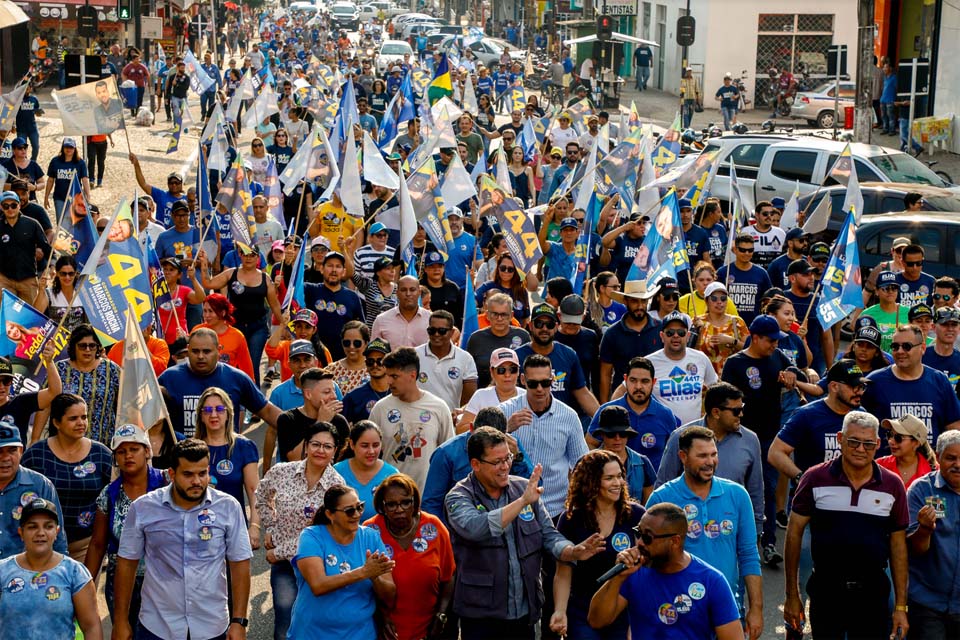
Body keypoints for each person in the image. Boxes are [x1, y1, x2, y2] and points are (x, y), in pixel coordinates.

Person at [445, 427, 606, 640]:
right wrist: (522, 502)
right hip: (480, 615)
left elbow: (549, 535)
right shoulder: (459, 496)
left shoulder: (522, 488)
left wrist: (572, 551)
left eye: (508, 458)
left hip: (524, 611)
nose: (505, 467)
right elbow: (476, 528)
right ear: (476, 464)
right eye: (497, 462)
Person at [783, 411, 909, 640]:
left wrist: (901, 607)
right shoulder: (814, 478)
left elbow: (898, 546)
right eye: (853, 442)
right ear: (840, 439)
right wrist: (792, 595)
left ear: (877, 444)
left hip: (873, 592)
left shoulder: (892, 485)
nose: (860, 449)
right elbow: (793, 534)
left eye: (868, 444)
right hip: (826, 590)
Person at [647, 426, 763, 637]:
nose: (710, 462)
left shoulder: (737, 495)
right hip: (677, 612)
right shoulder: (662, 498)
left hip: (727, 610)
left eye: (713, 454)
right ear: (683, 457)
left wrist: (756, 609)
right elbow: (648, 558)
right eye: (702, 456)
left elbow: (748, 554)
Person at [587, 503, 744, 639]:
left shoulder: (712, 581)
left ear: (674, 541)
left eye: (647, 537)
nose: (640, 542)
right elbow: (596, 621)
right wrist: (617, 578)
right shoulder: (633, 572)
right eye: (638, 533)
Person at [256, 421, 345, 640]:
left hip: (318, 564)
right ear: (306, 446)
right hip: (285, 566)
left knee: (315, 622)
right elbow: (262, 496)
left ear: (335, 451)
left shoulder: (337, 487)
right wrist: (271, 526)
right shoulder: (282, 471)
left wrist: (277, 552)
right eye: (315, 444)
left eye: (327, 446)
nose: (320, 450)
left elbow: (324, 533)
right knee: (285, 617)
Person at [721, 315, 796, 566]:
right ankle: (736, 540)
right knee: (737, 487)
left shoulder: (777, 357)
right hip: (739, 436)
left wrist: (792, 374)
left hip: (769, 437)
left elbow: (796, 370)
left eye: (777, 340)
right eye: (770, 340)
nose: (775, 345)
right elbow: (724, 398)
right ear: (755, 338)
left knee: (767, 489)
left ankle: (769, 542)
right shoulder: (735, 363)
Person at [550, 449, 645, 640]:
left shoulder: (636, 515)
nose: (617, 483)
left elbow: (646, 570)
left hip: (622, 608)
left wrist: (638, 618)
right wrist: (560, 611)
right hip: (582, 610)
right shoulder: (571, 519)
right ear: (591, 482)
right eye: (609, 478)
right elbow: (563, 572)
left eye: (619, 476)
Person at [287, 484, 397, 639]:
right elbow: (318, 585)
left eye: (360, 507)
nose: (357, 514)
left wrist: (375, 578)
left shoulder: (370, 537)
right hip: (313, 633)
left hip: (360, 634)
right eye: (349, 510)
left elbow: (389, 596)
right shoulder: (312, 536)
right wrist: (363, 572)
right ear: (330, 514)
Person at [84, 424, 167, 628]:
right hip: (121, 583)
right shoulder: (109, 494)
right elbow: (97, 545)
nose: (128, 455)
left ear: (147, 451)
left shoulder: (168, 484)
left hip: (164, 579)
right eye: (121, 452)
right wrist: (84, 587)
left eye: (134, 449)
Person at [365, 473, 456, 640]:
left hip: (428, 629)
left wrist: (441, 615)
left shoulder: (434, 526)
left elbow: (449, 576)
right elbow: (363, 584)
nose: (399, 509)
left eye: (406, 502)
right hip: (384, 631)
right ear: (382, 506)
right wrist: (381, 617)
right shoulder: (370, 531)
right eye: (391, 504)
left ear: (414, 503)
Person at [22, 393, 111, 562]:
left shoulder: (101, 454)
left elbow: (114, 495)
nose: (81, 423)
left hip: (88, 547)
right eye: (73, 418)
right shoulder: (35, 455)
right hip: (41, 547)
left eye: (84, 417)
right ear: (56, 422)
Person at [500, 353, 589, 518]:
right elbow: (485, 450)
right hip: (513, 506)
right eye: (533, 384)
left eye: (545, 383)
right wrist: (506, 428)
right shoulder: (505, 411)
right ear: (523, 380)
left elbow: (581, 464)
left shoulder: (568, 416)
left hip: (555, 508)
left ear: (552, 380)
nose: (540, 389)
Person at [0, 497, 103, 640]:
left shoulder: (75, 572)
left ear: (57, 532)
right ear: (21, 533)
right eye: (32, 527)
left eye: (48, 526)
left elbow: (91, 627)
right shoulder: (3, 570)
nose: (40, 533)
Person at [158, 328, 281, 438]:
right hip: (184, 455)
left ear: (219, 350)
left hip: (227, 455)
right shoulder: (169, 378)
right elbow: (150, 416)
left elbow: (267, 411)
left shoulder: (236, 378)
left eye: (206, 351)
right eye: (195, 351)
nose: (200, 356)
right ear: (188, 349)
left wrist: (291, 426)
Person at [769, 359, 869, 490]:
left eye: (862, 387)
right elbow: (775, 453)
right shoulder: (807, 415)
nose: (859, 392)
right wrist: (802, 478)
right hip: (813, 498)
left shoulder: (861, 415)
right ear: (834, 387)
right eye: (854, 386)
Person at [862, 324, 960, 449]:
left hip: (929, 460)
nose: (900, 351)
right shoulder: (874, 382)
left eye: (907, 346)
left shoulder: (939, 381)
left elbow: (954, 428)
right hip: (887, 460)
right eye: (895, 346)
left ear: (922, 348)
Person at [198, 241, 283, 386]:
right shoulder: (231, 273)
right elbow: (209, 283)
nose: (248, 258)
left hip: (258, 327)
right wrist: (204, 265)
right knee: (234, 365)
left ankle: (254, 397)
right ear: (240, 255)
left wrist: (283, 324)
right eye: (245, 254)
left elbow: (274, 304)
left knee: (252, 364)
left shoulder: (265, 278)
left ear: (258, 258)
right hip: (235, 326)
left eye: (252, 255)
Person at [369, 347, 455, 489]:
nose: (389, 381)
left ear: (412, 375)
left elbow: (449, 454)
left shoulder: (438, 407)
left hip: (428, 493)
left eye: (394, 376)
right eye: (387, 375)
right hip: (391, 494)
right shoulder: (380, 409)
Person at [903, 430, 960, 636]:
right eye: (951, 458)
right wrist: (924, 529)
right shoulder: (923, 490)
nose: (958, 464)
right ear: (937, 457)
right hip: (927, 602)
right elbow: (914, 549)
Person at [588, 356, 680, 470]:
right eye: (633, 380)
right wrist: (600, 469)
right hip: (615, 479)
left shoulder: (665, 415)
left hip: (655, 481)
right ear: (625, 380)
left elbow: (674, 452)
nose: (638, 386)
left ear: (653, 382)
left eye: (645, 381)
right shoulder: (607, 411)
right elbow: (590, 443)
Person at [194, 388, 260, 537]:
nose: (213, 415)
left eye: (219, 409)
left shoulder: (244, 447)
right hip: (198, 529)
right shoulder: (191, 448)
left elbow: (253, 491)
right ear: (201, 416)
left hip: (233, 528)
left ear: (228, 413)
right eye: (207, 410)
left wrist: (254, 526)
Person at [0, 419, 68, 559]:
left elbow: (58, 540)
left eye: (12, 450)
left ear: (21, 451)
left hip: (26, 569)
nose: (5, 458)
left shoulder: (41, 485)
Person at [44, 325, 121, 448]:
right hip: (63, 444)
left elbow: (123, 406)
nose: (87, 350)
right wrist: (35, 438)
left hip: (102, 445)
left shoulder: (111, 369)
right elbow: (45, 405)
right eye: (82, 346)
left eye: (92, 346)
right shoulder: (60, 369)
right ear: (74, 346)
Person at [646, 311, 717, 425]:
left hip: (694, 431)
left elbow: (716, 387)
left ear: (688, 336)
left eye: (681, 332)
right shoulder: (649, 362)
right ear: (662, 336)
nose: (676, 336)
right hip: (662, 431)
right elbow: (625, 388)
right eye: (670, 332)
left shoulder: (701, 358)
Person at [598, 281, 663, 403]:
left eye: (643, 301)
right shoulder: (612, 334)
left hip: (657, 398)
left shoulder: (661, 329)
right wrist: (605, 406)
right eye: (634, 301)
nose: (640, 306)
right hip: (623, 399)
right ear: (626, 301)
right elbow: (605, 374)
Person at [334, 421, 400, 522]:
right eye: (365, 446)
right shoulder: (337, 472)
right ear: (352, 444)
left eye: (376, 445)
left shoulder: (392, 474)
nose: (371, 451)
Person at [414, 310, 478, 410]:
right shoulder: (414, 355)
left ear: (452, 332)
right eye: (432, 330)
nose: (436, 334)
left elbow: (469, 399)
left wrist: (458, 415)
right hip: (419, 416)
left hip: (450, 417)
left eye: (442, 331)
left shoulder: (465, 358)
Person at [466, 292, 530, 388]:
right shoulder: (476, 339)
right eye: (495, 314)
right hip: (484, 393)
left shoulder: (523, 336)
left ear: (511, 315)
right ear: (487, 315)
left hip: (518, 393)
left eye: (504, 314)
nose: (499, 319)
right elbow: (468, 374)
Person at [0, 191, 49, 304]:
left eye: (13, 205)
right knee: (6, 313)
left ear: (19, 205)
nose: (10, 209)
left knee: (31, 312)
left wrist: (51, 267)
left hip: (28, 279)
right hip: (5, 279)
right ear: (1, 207)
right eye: (6, 206)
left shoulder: (32, 224)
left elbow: (47, 248)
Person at [716, 234, 771, 325]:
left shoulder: (762, 273)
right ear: (735, 250)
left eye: (750, 250)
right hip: (728, 325)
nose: (747, 253)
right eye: (742, 250)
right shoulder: (723, 272)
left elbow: (768, 301)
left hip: (753, 326)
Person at [877, 414, 937, 489]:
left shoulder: (935, 472)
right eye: (890, 435)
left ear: (916, 443)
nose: (890, 441)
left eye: (898, 438)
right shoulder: (878, 466)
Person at [342, 338, 393, 425]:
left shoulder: (400, 393)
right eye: (370, 361)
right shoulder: (353, 397)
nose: (375, 365)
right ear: (365, 363)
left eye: (380, 361)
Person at [35, 255, 87, 333]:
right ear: (57, 273)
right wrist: (41, 291)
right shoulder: (49, 293)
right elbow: (35, 315)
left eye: (71, 274)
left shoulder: (82, 294)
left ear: (75, 273)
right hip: (55, 338)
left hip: (79, 339)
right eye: (63, 273)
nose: (67, 277)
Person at [861, 270, 911, 351]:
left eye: (894, 288)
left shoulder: (909, 312)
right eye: (886, 288)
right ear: (876, 291)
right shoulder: (867, 314)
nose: (890, 291)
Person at [43, 138, 90, 222]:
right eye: (66, 147)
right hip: (59, 197)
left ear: (74, 149)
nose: (68, 149)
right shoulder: (55, 161)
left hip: (75, 198)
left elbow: (85, 180)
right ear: (63, 148)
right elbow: (50, 180)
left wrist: (88, 196)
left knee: (75, 223)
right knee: (61, 222)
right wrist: (46, 196)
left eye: (71, 147)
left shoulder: (80, 163)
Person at [326, 321, 372, 395]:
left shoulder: (375, 368)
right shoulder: (331, 370)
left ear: (366, 343)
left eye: (357, 343)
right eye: (347, 343)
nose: (351, 347)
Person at [922, 306, 960, 385]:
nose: (950, 329)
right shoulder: (921, 356)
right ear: (933, 327)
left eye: (954, 325)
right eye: (945, 324)